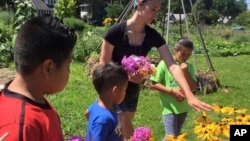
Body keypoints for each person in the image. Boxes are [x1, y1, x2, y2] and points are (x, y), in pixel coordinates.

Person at [99, 0, 212, 140]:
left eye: (157, 10)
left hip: (132, 91)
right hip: (113, 89)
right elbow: (103, 66)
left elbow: (172, 65)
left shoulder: (152, 35)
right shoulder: (114, 33)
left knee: (119, 132)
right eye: (153, 9)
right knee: (125, 126)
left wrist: (189, 94)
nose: (155, 14)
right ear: (140, 3)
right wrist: (126, 75)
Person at [0, 15, 77, 141]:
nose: (69, 71)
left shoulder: (36, 99)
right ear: (48, 68)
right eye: (68, 66)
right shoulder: (21, 128)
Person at [150, 37, 198, 139]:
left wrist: (185, 73)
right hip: (169, 107)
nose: (185, 57)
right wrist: (172, 91)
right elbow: (153, 83)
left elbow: (193, 87)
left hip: (183, 107)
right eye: (182, 54)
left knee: (176, 136)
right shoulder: (164, 64)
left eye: (188, 54)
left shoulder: (189, 66)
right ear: (175, 51)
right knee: (170, 136)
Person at [85, 62, 128, 141]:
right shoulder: (103, 120)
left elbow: (87, 112)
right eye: (125, 89)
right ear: (115, 91)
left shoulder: (99, 104)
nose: (125, 93)